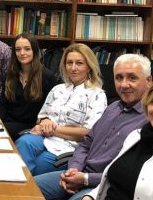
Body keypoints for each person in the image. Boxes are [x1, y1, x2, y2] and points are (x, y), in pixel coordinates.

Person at [33, 53, 151, 200]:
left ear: (148, 81)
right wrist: (74, 169)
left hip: (104, 185)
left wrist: (86, 179)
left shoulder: (151, 120)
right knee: (25, 189)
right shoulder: (113, 108)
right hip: (79, 172)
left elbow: (130, 174)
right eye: (119, 78)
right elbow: (86, 144)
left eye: (132, 78)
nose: (124, 84)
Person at [15, 43, 106, 172]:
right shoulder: (57, 89)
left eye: (79, 63)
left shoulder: (97, 95)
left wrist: (53, 129)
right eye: (69, 63)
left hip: (68, 147)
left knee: (40, 163)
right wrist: (45, 121)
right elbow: (41, 117)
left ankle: (28, 184)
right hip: (44, 138)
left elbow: (88, 133)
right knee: (23, 143)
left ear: (89, 67)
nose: (73, 68)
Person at [0, 32, 60, 139]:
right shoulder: (10, 74)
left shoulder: (47, 77)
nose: (22, 53)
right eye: (18, 49)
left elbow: (50, 110)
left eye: (27, 49)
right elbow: (3, 105)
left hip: (32, 127)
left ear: (34, 51)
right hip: (7, 123)